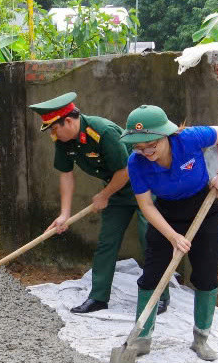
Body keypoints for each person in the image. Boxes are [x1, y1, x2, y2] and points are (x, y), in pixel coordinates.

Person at [28, 92, 170, 314]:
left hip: (145, 188)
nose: (52, 135)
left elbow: (125, 170)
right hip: (116, 193)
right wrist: (64, 214)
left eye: (54, 129)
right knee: (107, 243)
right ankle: (98, 298)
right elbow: (66, 174)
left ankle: (160, 296)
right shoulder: (64, 141)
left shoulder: (102, 131)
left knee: (150, 239)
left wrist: (104, 195)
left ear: (68, 121)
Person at [120, 105, 218, 361]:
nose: (146, 152)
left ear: (165, 135)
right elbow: (146, 205)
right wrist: (172, 236)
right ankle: (142, 338)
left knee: (205, 275)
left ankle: (201, 339)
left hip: (203, 210)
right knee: (152, 275)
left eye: (151, 145)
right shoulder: (136, 163)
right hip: (166, 214)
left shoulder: (188, 139)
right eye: (139, 147)